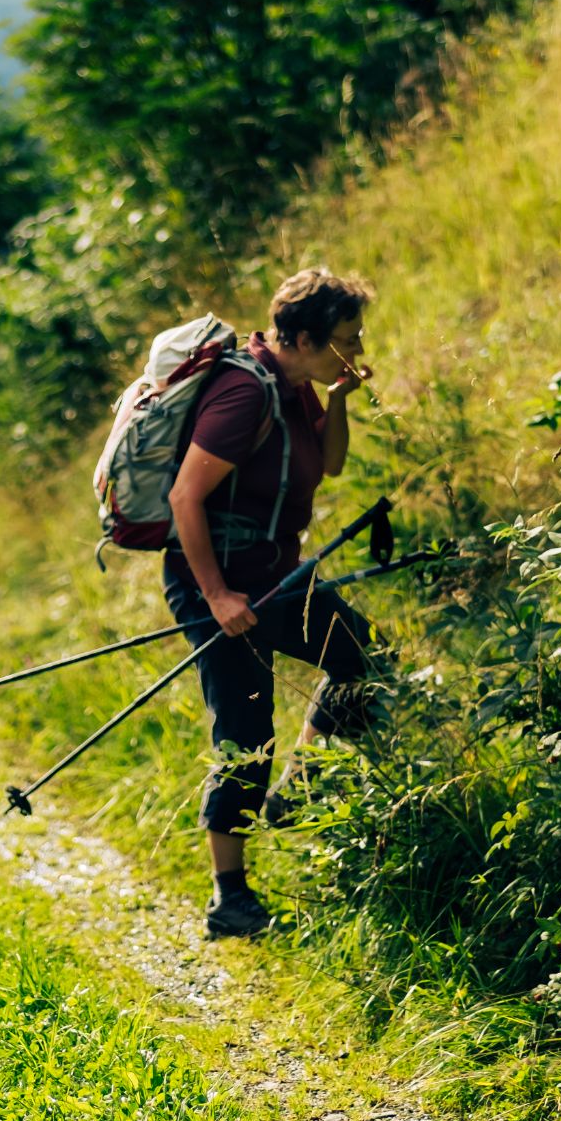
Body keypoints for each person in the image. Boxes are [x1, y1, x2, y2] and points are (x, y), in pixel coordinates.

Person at [163, 267, 378, 938]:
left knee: (363, 656)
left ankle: (298, 790)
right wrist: (218, 594)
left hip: (274, 572)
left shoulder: (299, 386)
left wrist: (338, 397)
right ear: (307, 337)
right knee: (245, 728)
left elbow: (331, 464)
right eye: (349, 338)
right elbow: (184, 499)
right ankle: (231, 899)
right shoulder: (243, 394)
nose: (360, 348)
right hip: (216, 575)